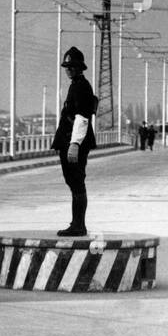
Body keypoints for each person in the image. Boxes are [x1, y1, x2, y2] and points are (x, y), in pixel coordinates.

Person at [52, 46, 97, 237]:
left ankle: (79, 225)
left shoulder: (80, 87)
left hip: (74, 142)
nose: (69, 69)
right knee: (73, 181)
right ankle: (77, 223)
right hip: (70, 140)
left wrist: (74, 144)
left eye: (72, 66)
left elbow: (82, 117)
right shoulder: (77, 85)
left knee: (76, 181)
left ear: (80, 68)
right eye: (67, 66)